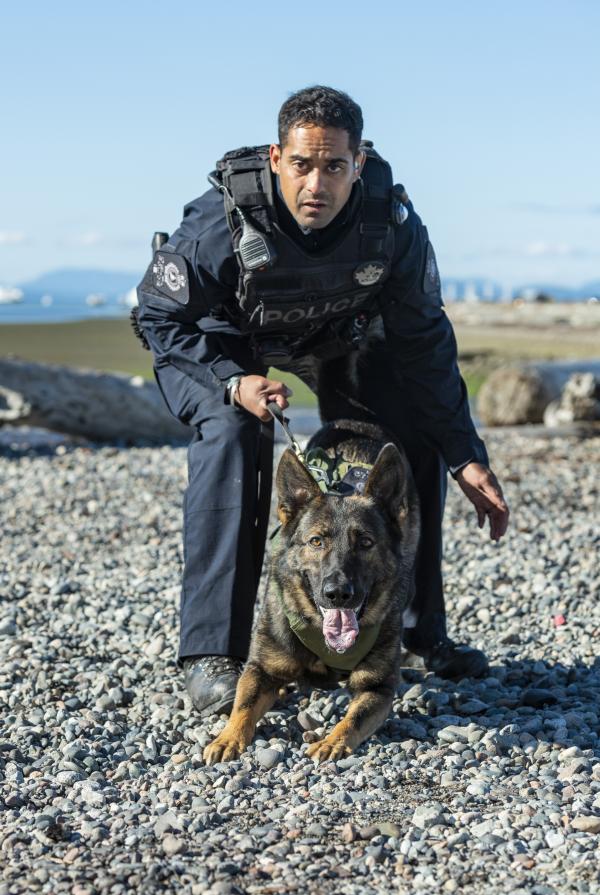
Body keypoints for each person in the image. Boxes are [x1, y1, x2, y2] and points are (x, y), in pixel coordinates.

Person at [136, 85, 509, 716]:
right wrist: (233, 379)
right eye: (303, 164)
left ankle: (412, 631)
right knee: (233, 435)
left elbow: (425, 345)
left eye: (334, 166)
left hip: (336, 337)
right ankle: (212, 656)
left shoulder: (390, 225)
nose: (318, 182)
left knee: (407, 440)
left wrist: (464, 454)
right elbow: (156, 318)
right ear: (277, 158)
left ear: (357, 164)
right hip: (223, 344)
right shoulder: (219, 226)